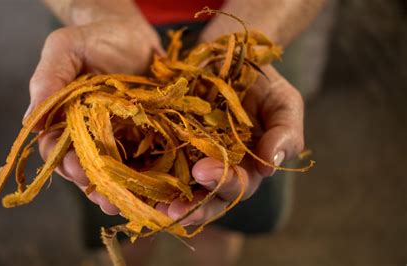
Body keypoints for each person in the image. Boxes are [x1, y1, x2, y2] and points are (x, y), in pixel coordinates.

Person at [25, 0, 326, 264]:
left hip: (259, 18)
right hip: (98, 24)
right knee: (117, 203)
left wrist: (252, 31)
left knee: (224, 211)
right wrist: (96, 12)